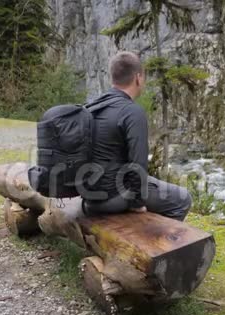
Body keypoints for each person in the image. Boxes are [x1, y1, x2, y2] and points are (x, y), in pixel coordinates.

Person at [82, 51, 192, 221]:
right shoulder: (132, 112)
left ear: (113, 78)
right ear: (138, 78)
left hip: (88, 198)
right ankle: (161, 246)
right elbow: (138, 164)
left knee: (151, 185)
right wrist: (137, 204)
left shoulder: (93, 106)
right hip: (112, 199)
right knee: (182, 199)